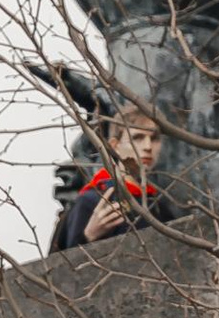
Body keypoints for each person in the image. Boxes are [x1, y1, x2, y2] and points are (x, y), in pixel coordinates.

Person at [53, 105, 171, 250]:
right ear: (115, 146)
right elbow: (67, 261)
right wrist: (88, 237)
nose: (148, 146)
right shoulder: (92, 201)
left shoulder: (160, 206)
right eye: (138, 138)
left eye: (154, 138)